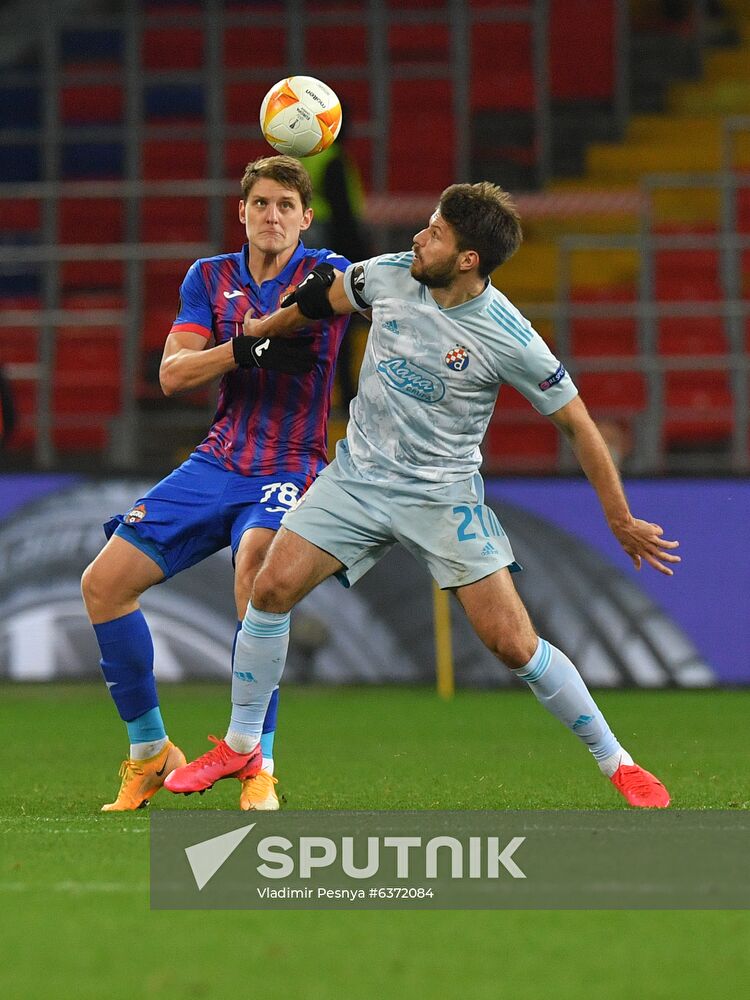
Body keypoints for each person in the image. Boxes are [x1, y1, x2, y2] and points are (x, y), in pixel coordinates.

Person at [166, 181, 680, 809]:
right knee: (269, 590)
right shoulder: (386, 275)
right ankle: (244, 744)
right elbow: (318, 300)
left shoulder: (508, 336)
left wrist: (620, 519)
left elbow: (578, 424)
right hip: (356, 479)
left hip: (442, 497)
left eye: (434, 233)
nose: (417, 237)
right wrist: (261, 331)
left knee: (513, 645)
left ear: (468, 260)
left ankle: (618, 763)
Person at [81, 155, 351, 812]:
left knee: (258, 572)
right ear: (242, 212)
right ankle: (149, 753)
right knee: (102, 586)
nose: (273, 216)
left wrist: (260, 333)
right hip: (218, 461)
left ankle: (258, 764)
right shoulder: (209, 277)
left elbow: (346, 304)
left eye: (286, 206)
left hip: (290, 463)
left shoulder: (331, 271)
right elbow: (173, 375)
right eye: (261, 203)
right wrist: (242, 348)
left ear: (306, 218)